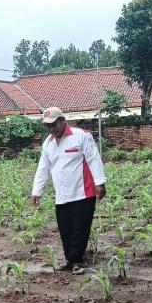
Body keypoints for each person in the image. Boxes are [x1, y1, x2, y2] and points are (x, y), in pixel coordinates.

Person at [31, 107, 106, 274]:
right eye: (48, 126)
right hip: (62, 194)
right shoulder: (48, 142)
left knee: (80, 228)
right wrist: (37, 191)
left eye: (53, 125)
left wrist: (100, 182)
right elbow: (43, 167)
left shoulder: (81, 136)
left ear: (62, 121)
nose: (51, 129)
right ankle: (70, 260)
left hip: (83, 192)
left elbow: (94, 159)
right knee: (65, 229)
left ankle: (78, 261)